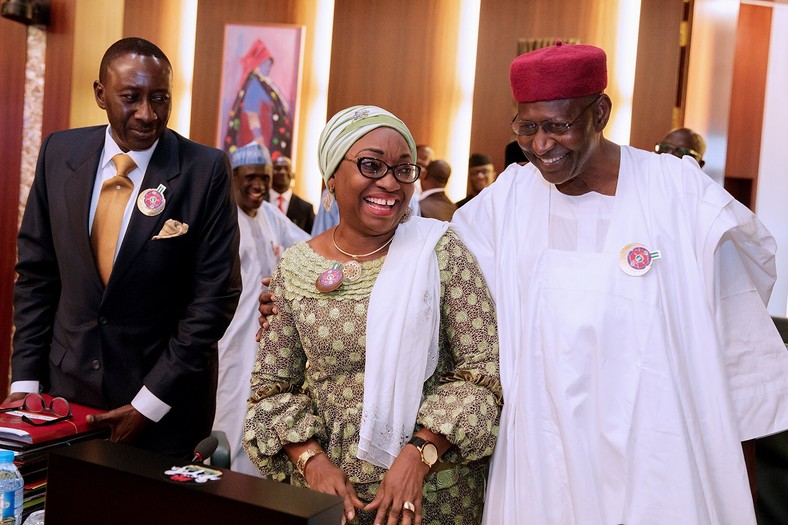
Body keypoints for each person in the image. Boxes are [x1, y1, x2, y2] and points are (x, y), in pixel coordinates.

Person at [450, 41, 788, 524]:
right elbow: (442, 279)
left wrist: (744, 481)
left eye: (558, 126)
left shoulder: (677, 193)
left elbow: (739, 348)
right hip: (544, 464)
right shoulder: (507, 201)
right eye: (527, 128)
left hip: (662, 458)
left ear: (600, 111)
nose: (541, 145)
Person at [243, 105, 502, 524]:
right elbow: (270, 391)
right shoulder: (295, 269)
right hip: (326, 499)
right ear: (331, 177)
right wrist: (311, 461)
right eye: (371, 165)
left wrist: (419, 455)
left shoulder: (439, 252)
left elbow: (483, 374)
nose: (389, 183)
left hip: (432, 496)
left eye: (403, 169)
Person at [8, 37, 241, 458]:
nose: (147, 114)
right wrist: (25, 382)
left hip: (164, 405)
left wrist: (146, 405)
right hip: (66, 398)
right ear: (101, 94)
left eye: (159, 99)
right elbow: (37, 276)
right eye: (131, 98)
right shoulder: (59, 152)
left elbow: (215, 298)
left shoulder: (205, 171)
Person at [213, 142, 309, 475]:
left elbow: (307, 245)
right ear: (234, 177)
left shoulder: (270, 214)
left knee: (261, 414)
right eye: (251, 177)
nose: (260, 186)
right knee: (227, 412)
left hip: (266, 342)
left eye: (265, 178)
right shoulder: (221, 215)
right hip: (228, 342)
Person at [270, 155, 316, 233]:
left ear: (293, 175)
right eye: (278, 168)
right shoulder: (258, 203)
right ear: (270, 173)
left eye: (287, 169)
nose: (282, 172)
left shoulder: (306, 209)